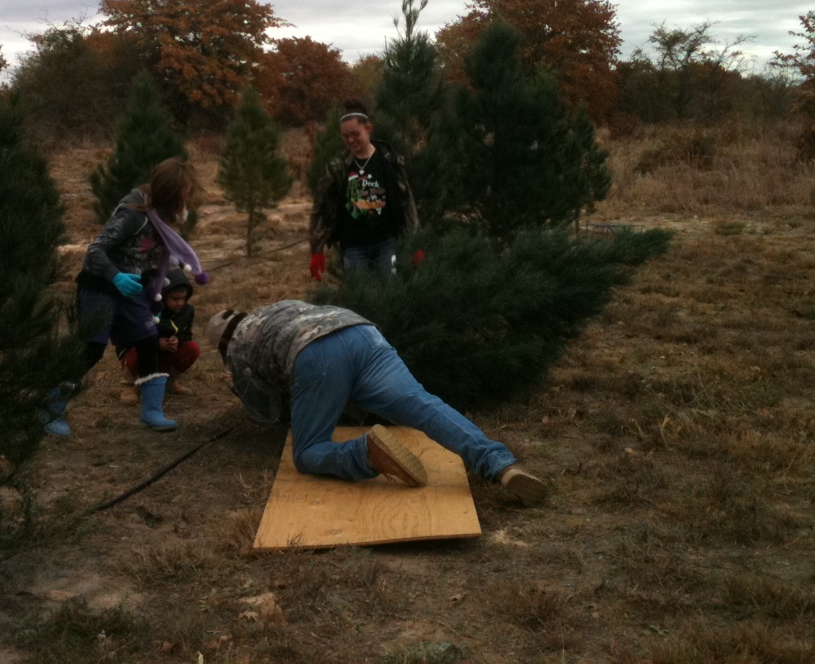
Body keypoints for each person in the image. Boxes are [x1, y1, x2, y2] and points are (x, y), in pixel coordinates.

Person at [207, 301, 546, 505]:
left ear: (222, 340)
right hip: (361, 331)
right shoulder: (275, 308)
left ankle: (365, 453)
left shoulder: (236, 345)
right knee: (423, 406)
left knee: (308, 452)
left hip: (319, 353)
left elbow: (264, 412)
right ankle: (502, 465)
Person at [43, 158, 208, 436]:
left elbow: (153, 254)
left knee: (147, 340)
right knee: (91, 349)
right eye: (184, 193)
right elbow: (95, 250)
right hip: (102, 286)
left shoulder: (164, 218)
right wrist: (115, 276)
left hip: (132, 289)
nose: (187, 199)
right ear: (169, 193)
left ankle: (152, 411)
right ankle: (51, 407)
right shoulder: (134, 212)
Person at [309, 100, 417, 280]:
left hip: (387, 243)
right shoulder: (338, 168)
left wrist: (414, 244)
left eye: (355, 134)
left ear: (368, 128)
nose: (350, 140)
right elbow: (319, 207)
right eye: (345, 136)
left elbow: (407, 203)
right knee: (360, 297)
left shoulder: (389, 162)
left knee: (392, 292)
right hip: (353, 247)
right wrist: (316, 250)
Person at [118, 267, 200, 399]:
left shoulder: (187, 311)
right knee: (140, 349)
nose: (179, 303)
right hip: (138, 353)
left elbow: (187, 334)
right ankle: (128, 385)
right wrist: (156, 344)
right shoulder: (146, 308)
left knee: (192, 348)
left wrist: (177, 340)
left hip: (165, 353)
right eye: (174, 298)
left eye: (183, 298)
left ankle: (169, 381)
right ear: (163, 293)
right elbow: (127, 338)